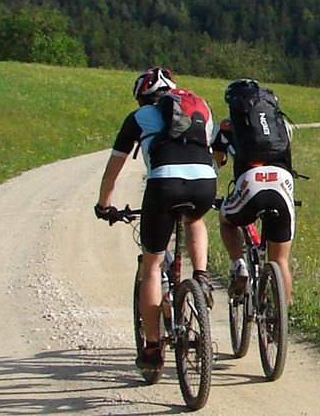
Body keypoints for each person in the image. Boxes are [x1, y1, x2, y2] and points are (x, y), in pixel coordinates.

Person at [93, 67, 219, 375]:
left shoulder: (140, 118)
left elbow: (114, 167)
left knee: (151, 265)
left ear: (144, 97)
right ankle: (201, 277)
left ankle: (151, 348)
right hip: (205, 181)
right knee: (194, 220)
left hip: (164, 184)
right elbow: (212, 150)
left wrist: (104, 205)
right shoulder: (200, 107)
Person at [214, 78, 299, 300]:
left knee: (226, 219)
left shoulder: (225, 127)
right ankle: (281, 324)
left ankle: (238, 264)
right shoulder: (281, 125)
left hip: (249, 182)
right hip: (282, 181)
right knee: (280, 261)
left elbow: (215, 163)